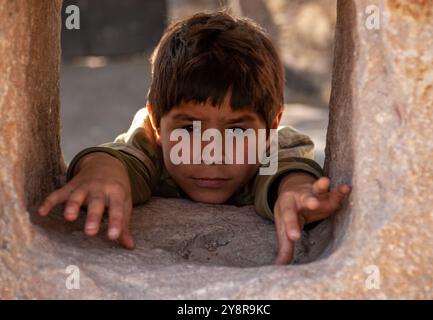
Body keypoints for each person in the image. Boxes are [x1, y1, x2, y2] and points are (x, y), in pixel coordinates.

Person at [38, 11, 351, 265]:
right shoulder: (152, 142)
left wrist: (295, 190)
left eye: (238, 131)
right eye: (189, 129)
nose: (210, 153)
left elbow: (286, 168)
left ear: (271, 126)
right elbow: (122, 157)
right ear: (157, 121)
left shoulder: (271, 148)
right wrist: (100, 171)